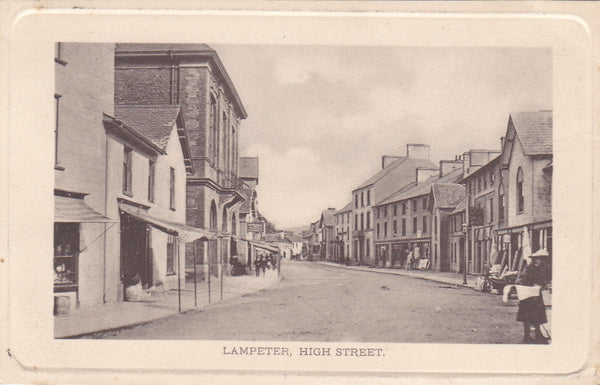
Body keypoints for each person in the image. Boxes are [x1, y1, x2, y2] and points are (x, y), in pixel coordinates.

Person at [515, 250, 550, 344]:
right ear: (535, 259)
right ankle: (527, 337)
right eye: (539, 259)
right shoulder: (529, 268)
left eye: (543, 259)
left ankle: (538, 335)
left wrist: (542, 284)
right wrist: (532, 284)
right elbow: (522, 280)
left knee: (538, 316)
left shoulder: (541, 268)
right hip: (528, 296)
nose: (541, 261)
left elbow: (543, 280)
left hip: (536, 295)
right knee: (527, 317)